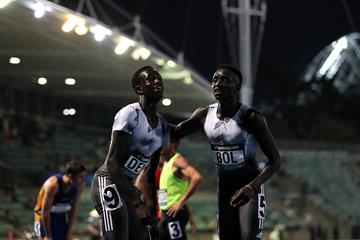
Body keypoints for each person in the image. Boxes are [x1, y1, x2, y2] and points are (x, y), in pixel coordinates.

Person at [173, 65, 281, 240]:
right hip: (225, 186)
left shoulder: (251, 117)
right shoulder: (203, 114)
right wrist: (149, 118)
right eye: (215, 79)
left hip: (249, 185)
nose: (218, 84)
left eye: (225, 80)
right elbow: (176, 132)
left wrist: (251, 187)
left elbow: (275, 161)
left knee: (248, 237)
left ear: (237, 87)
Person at [90, 66, 170, 240]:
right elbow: (112, 163)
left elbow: (149, 174)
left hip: (127, 186)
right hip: (108, 180)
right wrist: (137, 202)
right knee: (118, 235)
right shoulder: (129, 114)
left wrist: (152, 213)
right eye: (150, 78)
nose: (157, 81)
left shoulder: (162, 125)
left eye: (159, 78)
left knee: (141, 236)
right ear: (139, 89)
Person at [137, 141, 202, 240]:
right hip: (165, 214)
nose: (161, 146)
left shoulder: (177, 160)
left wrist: (180, 202)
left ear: (174, 145)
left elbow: (197, 177)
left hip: (173, 214)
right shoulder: (166, 163)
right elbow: (139, 185)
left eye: (165, 143)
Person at [34, 160, 86, 240]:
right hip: (43, 218)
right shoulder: (52, 185)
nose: (83, 180)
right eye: (80, 177)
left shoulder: (79, 186)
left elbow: (74, 209)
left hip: (60, 218)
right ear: (70, 175)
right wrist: (47, 235)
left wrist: (69, 232)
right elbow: (45, 211)